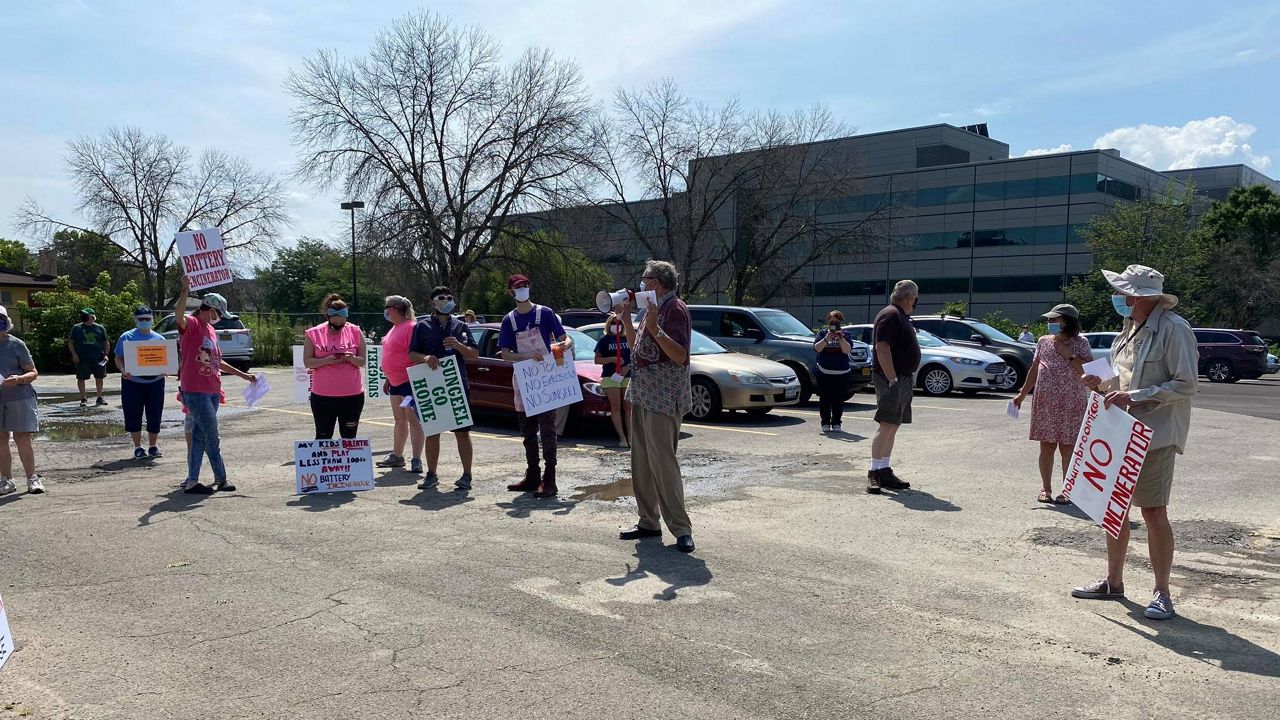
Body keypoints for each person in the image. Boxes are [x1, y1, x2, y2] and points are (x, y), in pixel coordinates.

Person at [1072, 264, 1198, 621]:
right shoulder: (1129, 328)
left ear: (1140, 297)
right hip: (1119, 433)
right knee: (1114, 508)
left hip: (1154, 435)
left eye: (1123, 292)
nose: (1118, 298)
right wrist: (1098, 381)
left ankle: (1162, 593)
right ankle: (1113, 582)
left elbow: (1187, 384)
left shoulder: (1174, 330)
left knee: (1153, 511)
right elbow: (1118, 377)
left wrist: (1136, 396)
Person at [617, 261, 695, 553]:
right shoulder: (651, 309)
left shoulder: (674, 309)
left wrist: (655, 329)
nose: (641, 283)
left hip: (664, 397)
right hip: (642, 394)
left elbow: (680, 356)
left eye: (645, 279)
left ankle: (681, 529)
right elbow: (638, 348)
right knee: (642, 463)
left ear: (658, 282)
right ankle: (648, 522)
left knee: (663, 464)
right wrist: (627, 322)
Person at [175, 277, 258, 494]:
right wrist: (185, 291)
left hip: (212, 390)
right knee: (212, 435)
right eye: (218, 314)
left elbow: (217, 361)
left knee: (200, 436)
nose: (219, 319)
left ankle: (193, 481)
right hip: (195, 390)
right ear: (210, 310)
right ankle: (221, 478)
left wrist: (244, 376)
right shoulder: (192, 324)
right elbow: (179, 316)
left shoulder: (211, 331)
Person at [498, 273, 572, 498]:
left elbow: (565, 339)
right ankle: (532, 475)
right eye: (518, 287)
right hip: (524, 381)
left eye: (526, 285)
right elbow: (506, 354)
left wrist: (561, 347)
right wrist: (526, 357)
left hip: (545, 381)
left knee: (548, 430)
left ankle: (550, 478)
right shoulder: (508, 321)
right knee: (527, 431)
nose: (523, 289)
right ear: (511, 292)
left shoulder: (545, 313)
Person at [1012, 304, 1092, 503]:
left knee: (1068, 448)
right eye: (1049, 320)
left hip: (1072, 402)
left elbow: (1090, 372)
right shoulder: (1043, 341)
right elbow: (1035, 368)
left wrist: (1069, 353)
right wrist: (1022, 394)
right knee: (1046, 447)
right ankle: (1045, 488)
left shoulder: (1080, 342)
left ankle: (1067, 490)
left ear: (1068, 321)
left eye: (1055, 320)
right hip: (1046, 402)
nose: (1050, 323)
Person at [408, 286, 480, 491]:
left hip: (456, 384)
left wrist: (458, 346)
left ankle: (467, 475)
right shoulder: (422, 327)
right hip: (433, 386)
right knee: (433, 431)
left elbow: (473, 354)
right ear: (433, 302)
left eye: (450, 298)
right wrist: (425, 358)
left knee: (462, 432)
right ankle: (431, 474)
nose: (447, 300)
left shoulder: (461, 326)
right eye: (442, 298)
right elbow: (412, 354)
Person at [867, 280, 921, 494]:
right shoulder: (890, 315)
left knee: (893, 424)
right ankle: (873, 471)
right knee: (887, 423)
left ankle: (884, 469)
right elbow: (882, 347)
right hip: (892, 378)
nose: (916, 302)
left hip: (902, 378)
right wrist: (892, 379)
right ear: (909, 297)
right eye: (916, 298)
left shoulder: (899, 315)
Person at [303, 294, 366, 440]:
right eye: (334, 318)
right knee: (323, 436)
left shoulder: (355, 331)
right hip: (323, 396)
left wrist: (352, 358)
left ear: (346, 317)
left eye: (342, 318)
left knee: (349, 437)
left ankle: (349, 463)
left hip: (352, 395)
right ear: (328, 316)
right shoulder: (313, 333)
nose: (338, 322)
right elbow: (307, 362)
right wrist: (326, 360)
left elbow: (362, 361)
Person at [376, 295, 425, 473]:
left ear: (397, 309)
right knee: (399, 419)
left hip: (409, 382)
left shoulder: (411, 327)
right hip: (395, 383)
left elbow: (416, 354)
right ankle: (397, 455)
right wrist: (388, 378)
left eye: (388, 307)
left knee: (414, 420)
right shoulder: (394, 328)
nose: (386, 311)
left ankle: (417, 459)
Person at [0, 305, 45, 495]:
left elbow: (33, 372)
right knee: (0, 438)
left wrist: (18, 379)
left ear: (6, 322)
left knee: (22, 437)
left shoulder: (16, 344)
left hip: (19, 397)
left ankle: (32, 479)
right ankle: (6, 480)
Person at [114, 305, 167, 459]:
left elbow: (165, 360)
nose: (144, 322)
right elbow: (118, 358)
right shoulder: (126, 337)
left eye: (147, 319)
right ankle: (137, 447)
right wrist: (123, 370)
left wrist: (166, 369)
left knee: (155, 414)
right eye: (141, 319)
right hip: (133, 382)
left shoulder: (160, 339)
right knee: (133, 414)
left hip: (155, 382)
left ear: (153, 319)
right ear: (135, 320)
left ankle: (153, 446)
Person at [593, 312, 632, 447]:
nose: (617, 325)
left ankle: (631, 437)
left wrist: (628, 366)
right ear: (609, 325)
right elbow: (597, 360)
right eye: (614, 323)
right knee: (616, 407)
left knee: (628, 408)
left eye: (619, 323)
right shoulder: (604, 340)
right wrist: (612, 359)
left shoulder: (627, 339)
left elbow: (636, 356)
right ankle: (622, 438)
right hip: (611, 376)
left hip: (627, 374)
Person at [813, 310, 852, 433]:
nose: (834, 323)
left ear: (841, 322)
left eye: (837, 321)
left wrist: (841, 338)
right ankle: (825, 423)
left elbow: (847, 350)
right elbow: (816, 348)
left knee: (838, 400)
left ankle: (836, 423)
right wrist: (826, 339)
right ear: (828, 321)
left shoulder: (846, 334)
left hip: (842, 373)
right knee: (825, 399)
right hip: (824, 373)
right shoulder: (823, 333)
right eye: (832, 321)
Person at [68, 307, 109, 407]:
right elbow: (71, 342)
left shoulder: (100, 328)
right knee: (81, 378)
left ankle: (99, 398)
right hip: (82, 358)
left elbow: (106, 342)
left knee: (99, 377)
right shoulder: (76, 328)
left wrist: (106, 355)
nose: (83, 316)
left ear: (92, 317)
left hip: (98, 358)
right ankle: (83, 399)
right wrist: (74, 354)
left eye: (86, 315)